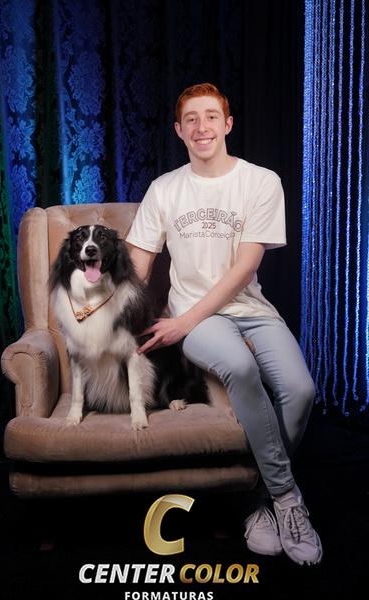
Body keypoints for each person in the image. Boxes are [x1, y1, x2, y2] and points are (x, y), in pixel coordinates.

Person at [125, 82, 323, 566]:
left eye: (211, 116)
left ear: (227, 124)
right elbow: (137, 264)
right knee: (240, 367)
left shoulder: (261, 181)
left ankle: (254, 498)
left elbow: (244, 268)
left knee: (301, 391)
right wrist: (103, 314)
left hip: (249, 311)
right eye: (191, 119)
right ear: (178, 130)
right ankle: (288, 500)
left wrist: (180, 323)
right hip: (200, 320)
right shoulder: (164, 189)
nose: (202, 127)